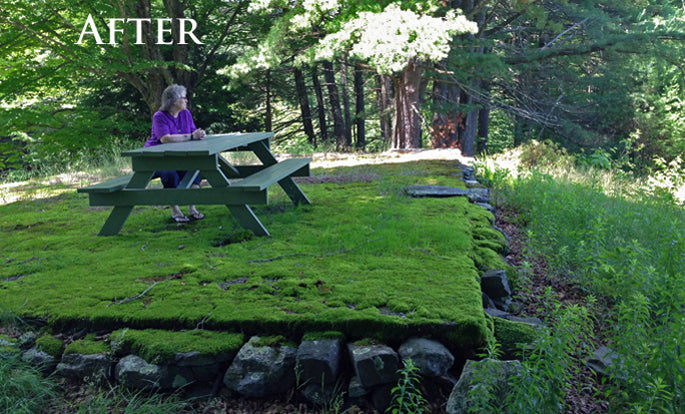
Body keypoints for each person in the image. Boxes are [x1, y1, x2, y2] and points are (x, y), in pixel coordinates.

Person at [145, 84, 207, 223]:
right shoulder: (159, 116)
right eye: (184, 98)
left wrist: (199, 134)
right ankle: (175, 210)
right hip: (158, 159)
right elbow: (165, 139)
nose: (186, 101)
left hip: (179, 157)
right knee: (170, 174)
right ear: (174, 101)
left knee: (194, 171)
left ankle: (192, 208)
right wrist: (191, 136)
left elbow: (193, 132)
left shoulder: (186, 114)